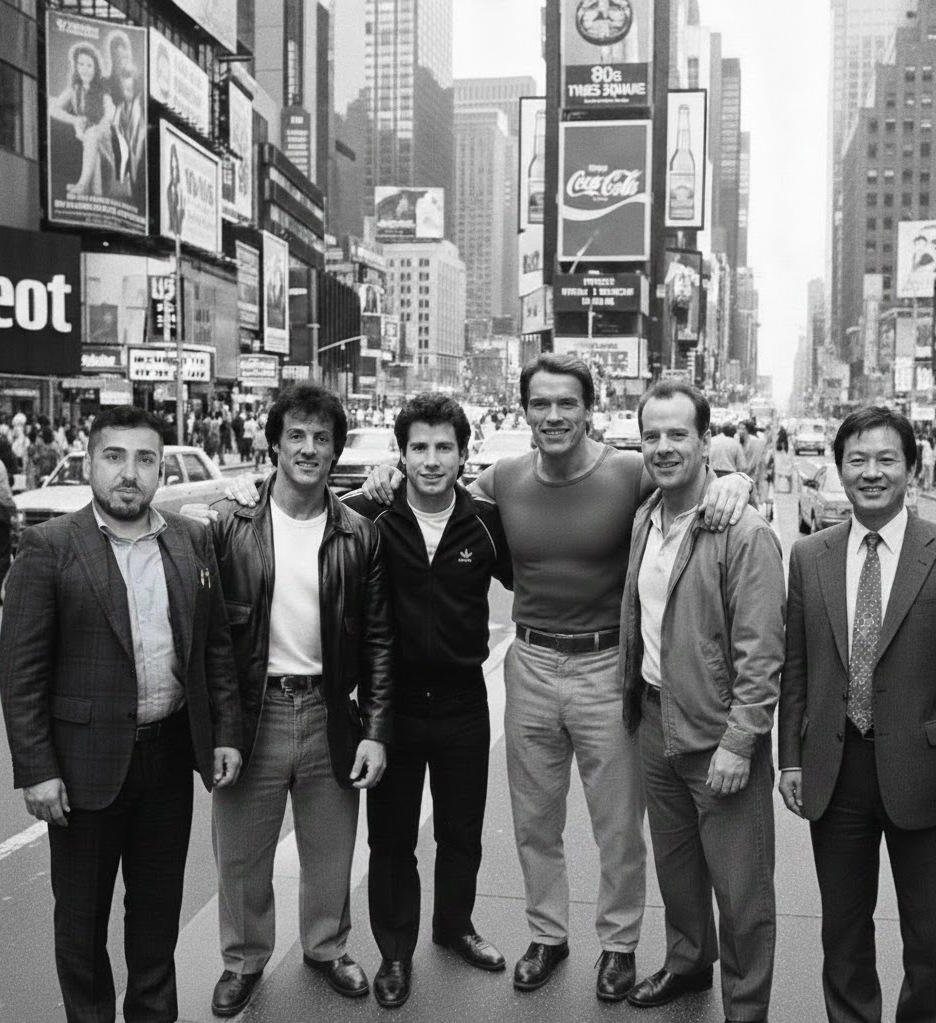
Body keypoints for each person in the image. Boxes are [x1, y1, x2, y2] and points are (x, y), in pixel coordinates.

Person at [360, 354, 754, 1001]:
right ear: (524, 410)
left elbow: (688, 475)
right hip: (531, 664)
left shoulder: (628, 472)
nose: (552, 415)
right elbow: (434, 484)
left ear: (589, 409)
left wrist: (734, 478)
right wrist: (388, 471)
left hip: (607, 666)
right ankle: (547, 933)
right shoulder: (502, 479)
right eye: (540, 403)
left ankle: (619, 945)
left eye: (566, 402)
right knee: (535, 821)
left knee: (618, 826)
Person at [0, 405, 242, 1023]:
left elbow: (214, 647)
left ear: (160, 469)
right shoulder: (49, 546)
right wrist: (36, 771)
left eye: (144, 459)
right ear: (90, 464)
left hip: (168, 759)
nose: (129, 473)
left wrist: (224, 733)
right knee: (82, 925)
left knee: (157, 917)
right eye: (114, 457)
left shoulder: (191, 540)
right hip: (83, 769)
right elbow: (22, 673)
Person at [202, 384, 393, 1017]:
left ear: (336, 450)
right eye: (297, 436)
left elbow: (378, 641)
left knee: (331, 848)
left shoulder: (358, 534)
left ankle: (326, 946)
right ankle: (243, 959)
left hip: (327, 710)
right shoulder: (230, 523)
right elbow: (211, 638)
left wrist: (374, 730)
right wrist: (220, 728)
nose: (309, 449)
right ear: (275, 446)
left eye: (321, 438)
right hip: (252, 714)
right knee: (241, 853)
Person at [620, 381, 785, 1022]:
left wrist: (741, 741)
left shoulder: (743, 530)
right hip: (655, 719)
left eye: (677, 434)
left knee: (742, 891)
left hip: (718, 732)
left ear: (704, 440)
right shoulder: (646, 516)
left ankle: (746, 1008)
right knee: (677, 866)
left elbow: (761, 651)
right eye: (651, 436)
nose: (663, 447)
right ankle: (688, 963)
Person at [342, 394, 513, 1008]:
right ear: (402, 454)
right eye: (419, 448)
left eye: (444, 448)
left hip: (465, 701)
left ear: (464, 455)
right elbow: (294, 512)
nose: (432, 460)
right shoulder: (369, 515)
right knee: (391, 840)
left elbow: (538, 571)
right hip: (392, 706)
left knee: (462, 831)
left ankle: (455, 926)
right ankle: (395, 951)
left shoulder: (487, 522)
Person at [779, 406, 936, 1023]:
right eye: (857, 460)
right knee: (843, 933)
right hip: (835, 768)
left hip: (923, 769)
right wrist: (790, 759)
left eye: (886, 459)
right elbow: (797, 666)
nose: (872, 472)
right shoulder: (809, 555)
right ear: (840, 470)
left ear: (911, 469)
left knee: (930, 937)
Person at [49, 43, 114, 197]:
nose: (85, 69)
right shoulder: (75, 88)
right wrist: (74, 119)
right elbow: (52, 108)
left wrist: (101, 126)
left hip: (104, 138)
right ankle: (92, 193)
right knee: (90, 144)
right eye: (81, 64)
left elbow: (110, 111)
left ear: (96, 68)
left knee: (92, 134)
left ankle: (82, 185)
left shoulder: (102, 88)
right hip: (88, 141)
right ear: (76, 65)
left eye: (89, 65)